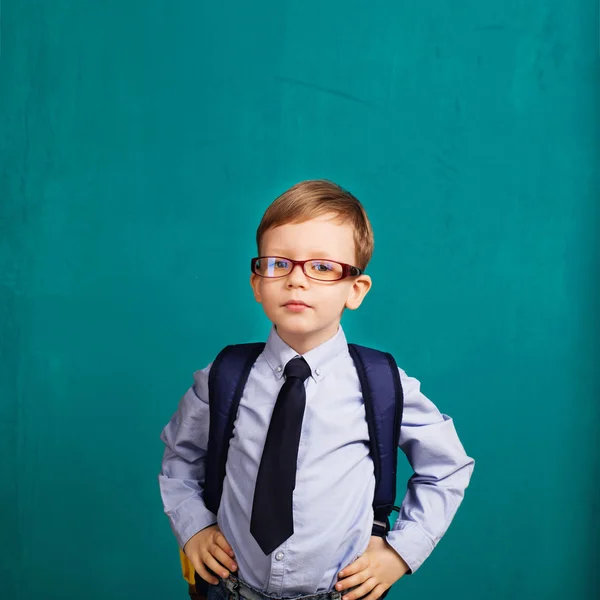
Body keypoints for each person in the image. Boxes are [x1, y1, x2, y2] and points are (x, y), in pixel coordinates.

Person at [158, 179, 475, 600]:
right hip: (231, 589)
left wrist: (401, 552)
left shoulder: (381, 382)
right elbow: (181, 458)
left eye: (322, 267)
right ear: (257, 282)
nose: (297, 281)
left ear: (355, 290)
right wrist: (194, 526)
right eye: (279, 264)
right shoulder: (223, 376)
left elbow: (447, 467)